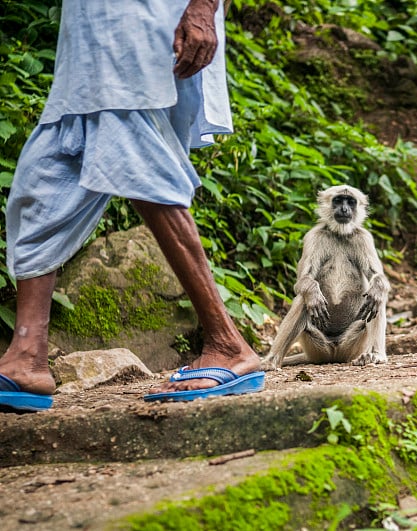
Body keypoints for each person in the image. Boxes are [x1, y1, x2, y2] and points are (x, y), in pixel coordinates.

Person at [0, 0, 265, 412]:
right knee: (47, 173)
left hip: (144, 21)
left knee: (135, 155)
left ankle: (227, 344)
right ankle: (26, 357)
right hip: (89, 27)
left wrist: (204, 6)